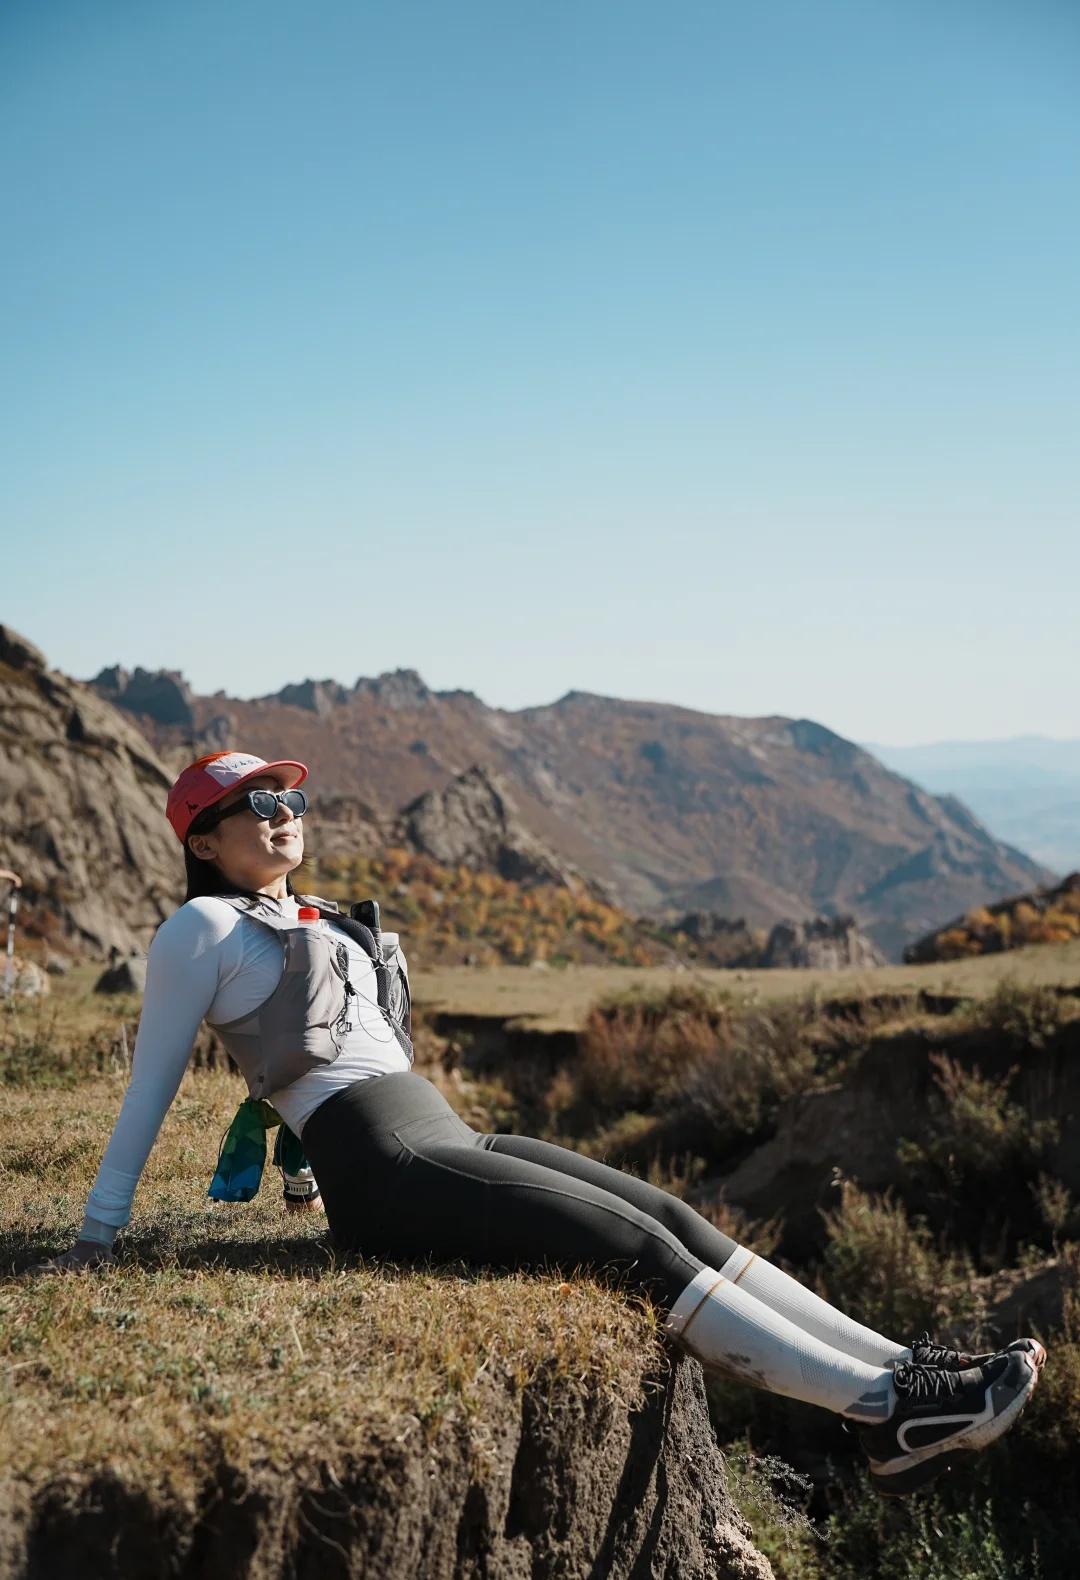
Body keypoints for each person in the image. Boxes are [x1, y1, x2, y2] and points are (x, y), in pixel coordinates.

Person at [40, 750, 1046, 1498]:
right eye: (252, 805)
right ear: (203, 840)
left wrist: (286, 1159)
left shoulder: (313, 913)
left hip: (443, 1131)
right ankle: (885, 1411)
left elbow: (315, 1038)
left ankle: (902, 1375)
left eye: (290, 797)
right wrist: (97, 1233)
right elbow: (154, 1084)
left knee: (673, 1213)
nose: (282, 812)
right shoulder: (198, 928)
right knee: (632, 1244)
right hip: (385, 1161)